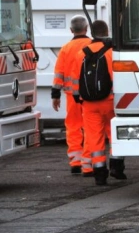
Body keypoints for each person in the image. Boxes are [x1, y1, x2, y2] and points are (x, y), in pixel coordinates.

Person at [70, 20, 125, 186]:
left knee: (94, 137)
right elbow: (116, 79)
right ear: (107, 31)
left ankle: (99, 173)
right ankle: (116, 166)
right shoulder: (111, 52)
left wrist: (78, 99)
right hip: (109, 102)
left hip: (89, 104)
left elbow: (75, 81)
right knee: (114, 133)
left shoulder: (81, 53)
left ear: (91, 33)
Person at [51, 15, 92, 176]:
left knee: (73, 127)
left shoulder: (65, 49)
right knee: (90, 127)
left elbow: (58, 73)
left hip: (70, 96)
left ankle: (75, 162)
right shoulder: (92, 46)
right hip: (90, 96)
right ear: (86, 28)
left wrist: (55, 95)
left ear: (71, 30)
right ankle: (88, 162)